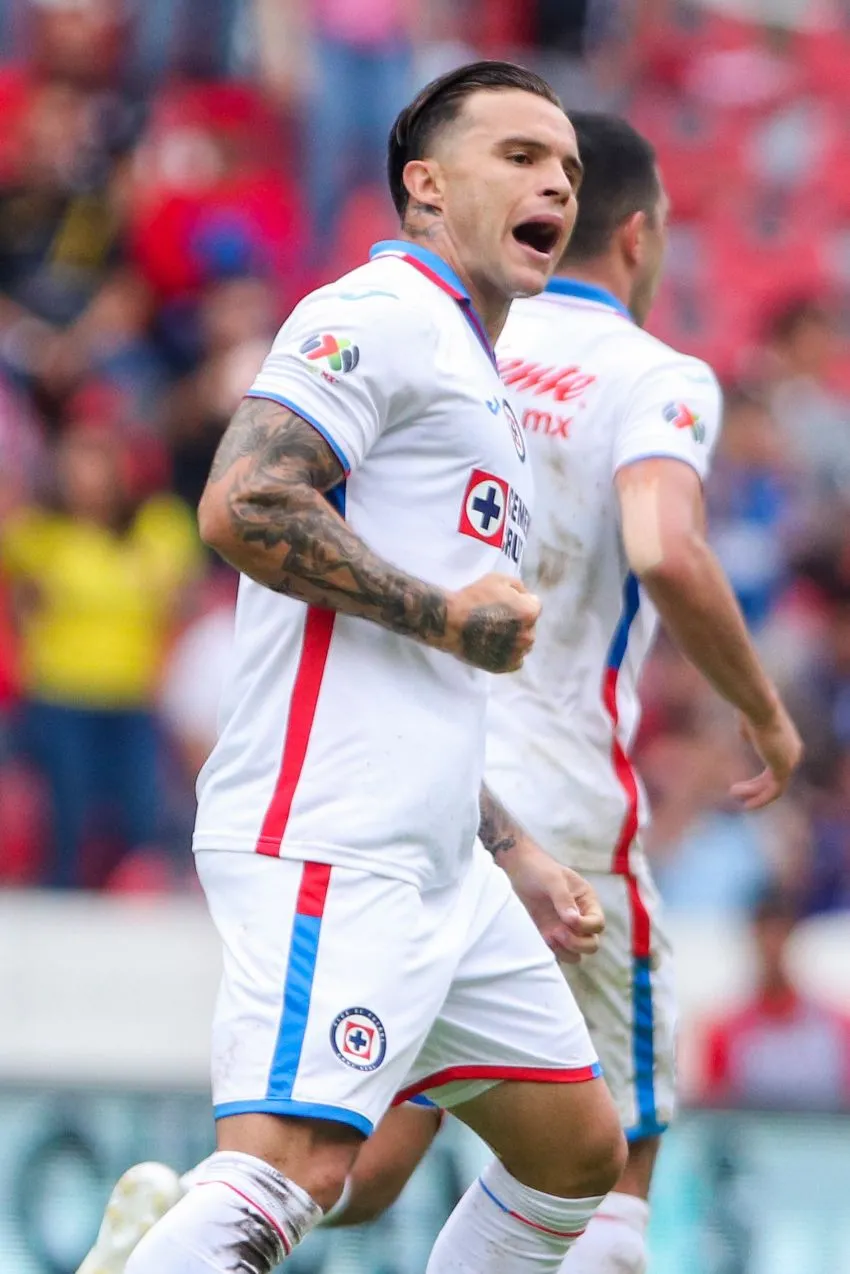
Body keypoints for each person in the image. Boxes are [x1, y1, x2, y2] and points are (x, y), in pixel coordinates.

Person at [89, 62, 627, 1274]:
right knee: (297, 1168)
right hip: (337, 835)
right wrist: (447, 613)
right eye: (520, 156)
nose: (555, 182)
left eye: (569, 170)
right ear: (425, 188)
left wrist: (509, 847)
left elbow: (419, 679)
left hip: (439, 854)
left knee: (571, 1150)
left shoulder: (475, 366)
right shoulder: (378, 312)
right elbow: (241, 502)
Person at [700, 885, 850, 1110]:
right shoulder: (723, 1034)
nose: (773, 946)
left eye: (780, 934)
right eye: (765, 935)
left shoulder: (837, 1028)